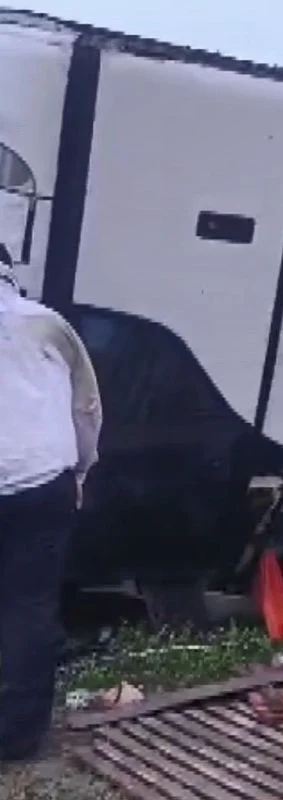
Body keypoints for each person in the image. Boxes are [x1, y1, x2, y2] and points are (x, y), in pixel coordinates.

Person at [0, 244, 102, 763]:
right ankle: (16, 737)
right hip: (41, 482)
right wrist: (81, 469)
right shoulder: (46, 324)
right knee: (28, 606)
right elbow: (86, 407)